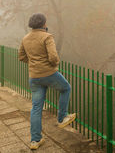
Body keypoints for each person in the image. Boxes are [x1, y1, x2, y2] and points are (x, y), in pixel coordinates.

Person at [18, 13, 76, 150]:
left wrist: (34, 63)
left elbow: (21, 57)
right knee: (66, 88)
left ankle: (35, 141)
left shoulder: (25, 38)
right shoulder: (47, 37)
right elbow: (54, 57)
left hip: (34, 77)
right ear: (43, 24)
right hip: (49, 73)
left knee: (36, 107)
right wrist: (52, 64)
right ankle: (62, 118)